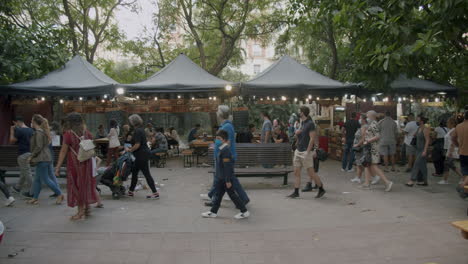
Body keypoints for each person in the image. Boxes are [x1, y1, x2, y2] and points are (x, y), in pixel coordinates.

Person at [202, 105, 250, 205]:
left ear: (220, 114)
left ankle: (243, 199)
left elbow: (227, 142)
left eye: (217, 111)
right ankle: (214, 198)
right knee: (221, 179)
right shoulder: (226, 125)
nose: (216, 113)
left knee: (226, 179)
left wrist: (217, 147)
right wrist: (215, 145)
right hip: (223, 156)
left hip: (225, 157)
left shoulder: (227, 126)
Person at [55, 113, 98, 220]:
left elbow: (63, 151)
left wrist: (57, 167)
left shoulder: (68, 135)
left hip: (75, 164)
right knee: (85, 185)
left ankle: (80, 212)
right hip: (87, 163)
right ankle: (87, 209)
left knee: (76, 187)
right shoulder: (87, 133)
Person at [201, 130, 250, 219]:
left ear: (224, 140)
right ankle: (213, 212)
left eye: (219, 139)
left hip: (225, 178)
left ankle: (244, 211)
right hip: (222, 178)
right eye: (216, 138)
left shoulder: (225, 151)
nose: (217, 140)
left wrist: (227, 180)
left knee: (232, 196)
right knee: (219, 195)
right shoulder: (222, 149)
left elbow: (227, 167)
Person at [288, 106, 325, 198]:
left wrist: (308, 152)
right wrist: (297, 134)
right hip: (298, 150)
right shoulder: (301, 123)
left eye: (299, 111)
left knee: (311, 173)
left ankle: (321, 188)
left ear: (302, 113)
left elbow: (312, 139)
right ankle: (296, 192)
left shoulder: (310, 124)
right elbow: (301, 136)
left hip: (305, 152)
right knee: (296, 172)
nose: (297, 112)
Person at [27, 115, 64, 205]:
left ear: (35, 122)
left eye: (32, 120)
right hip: (46, 157)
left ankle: (59, 194)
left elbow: (39, 146)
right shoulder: (43, 131)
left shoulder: (38, 133)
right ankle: (35, 198)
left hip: (42, 158)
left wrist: (31, 156)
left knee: (45, 179)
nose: (31, 122)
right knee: (37, 179)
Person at [125, 114, 160, 199]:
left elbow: (137, 145)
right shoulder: (141, 130)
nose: (130, 123)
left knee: (146, 174)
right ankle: (130, 191)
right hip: (142, 154)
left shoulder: (137, 131)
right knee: (134, 173)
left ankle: (155, 192)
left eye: (130, 121)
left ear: (133, 122)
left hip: (140, 155)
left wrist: (130, 150)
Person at [361, 110, 393, 191]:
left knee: (373, 166)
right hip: (370, 147)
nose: (366, 118)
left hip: (373, 148)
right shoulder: (372, 124)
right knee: (367, 165)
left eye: (367, 116)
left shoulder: (374, 124)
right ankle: (367, 183)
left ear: (372, 116)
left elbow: (378, 136)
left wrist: (368, 140)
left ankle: (387, 182)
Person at [10, 116, 34, 198]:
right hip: (30, 153)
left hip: (22, 154)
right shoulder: (31, 130)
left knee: (27, 172)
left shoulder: (19, 130)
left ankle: (33, 190)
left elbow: (12, 141)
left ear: (17, 122)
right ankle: (17, 188)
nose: (15, 125)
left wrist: (12, 130)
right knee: (24, 171)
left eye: (15, 123)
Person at [405, 115, 431, 187]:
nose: (416, 121)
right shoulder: (419, 128)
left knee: (416, 164)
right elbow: (415, 135)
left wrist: (425, 151)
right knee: (422, 166)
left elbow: (427, 140)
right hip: (418, 149)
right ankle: (423, 180)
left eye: (418, 120)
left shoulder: (425, 129)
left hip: (423, 149)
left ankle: (412, 180)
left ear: (421, 121)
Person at [439, 117, 463, 184]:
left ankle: (462, 177)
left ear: (451, 123)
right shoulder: (451, 130)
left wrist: (450, 151)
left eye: (447, 122)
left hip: (452, 150)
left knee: (448, 164)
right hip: (450, 150)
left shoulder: (453, 130)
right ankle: (445, 179)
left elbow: (453, 141)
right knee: (449, 165)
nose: (446, 123)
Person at [452, 110, 468, 191]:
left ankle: (465, 190)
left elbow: (453, 138)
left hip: (462, 153)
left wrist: (458, 146)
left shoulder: (459, 126)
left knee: (465, 173)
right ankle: (462, 186)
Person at [351, 114, 368, 184]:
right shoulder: (362, 126)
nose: (359, 120)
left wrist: (358, 144)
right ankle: (358, 177)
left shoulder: (364, 127)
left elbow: (363, 137)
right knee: (358, 163)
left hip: (360, 147)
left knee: (359, 163)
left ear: (364, 119)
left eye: (360, 118)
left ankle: (373, 175)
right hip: (360, 147)